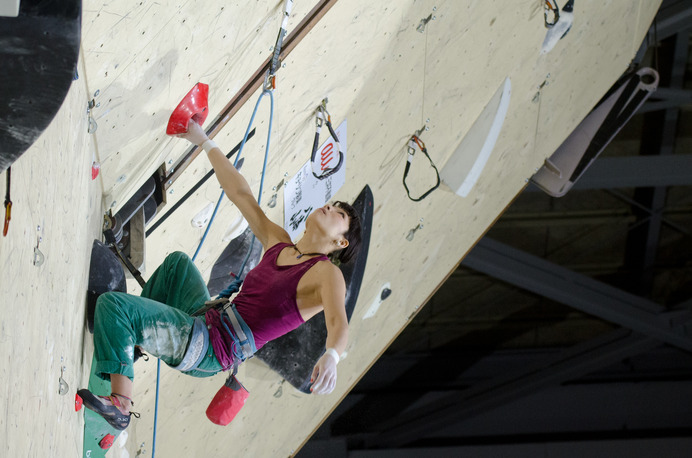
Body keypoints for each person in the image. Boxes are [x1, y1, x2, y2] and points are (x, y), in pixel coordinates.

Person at [78, 120, 361, 430]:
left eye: (339, 213)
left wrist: (332, 355)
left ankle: (121, 404)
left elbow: (338, 322)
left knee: (112, 306)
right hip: (207, 318)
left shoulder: (326, 273)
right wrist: (204, 141)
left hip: (210, 348)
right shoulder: (280, 242)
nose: (328, 206)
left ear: (340, 242)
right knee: (177, 266)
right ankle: (128, 343)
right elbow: (240, 194)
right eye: (332, 203)